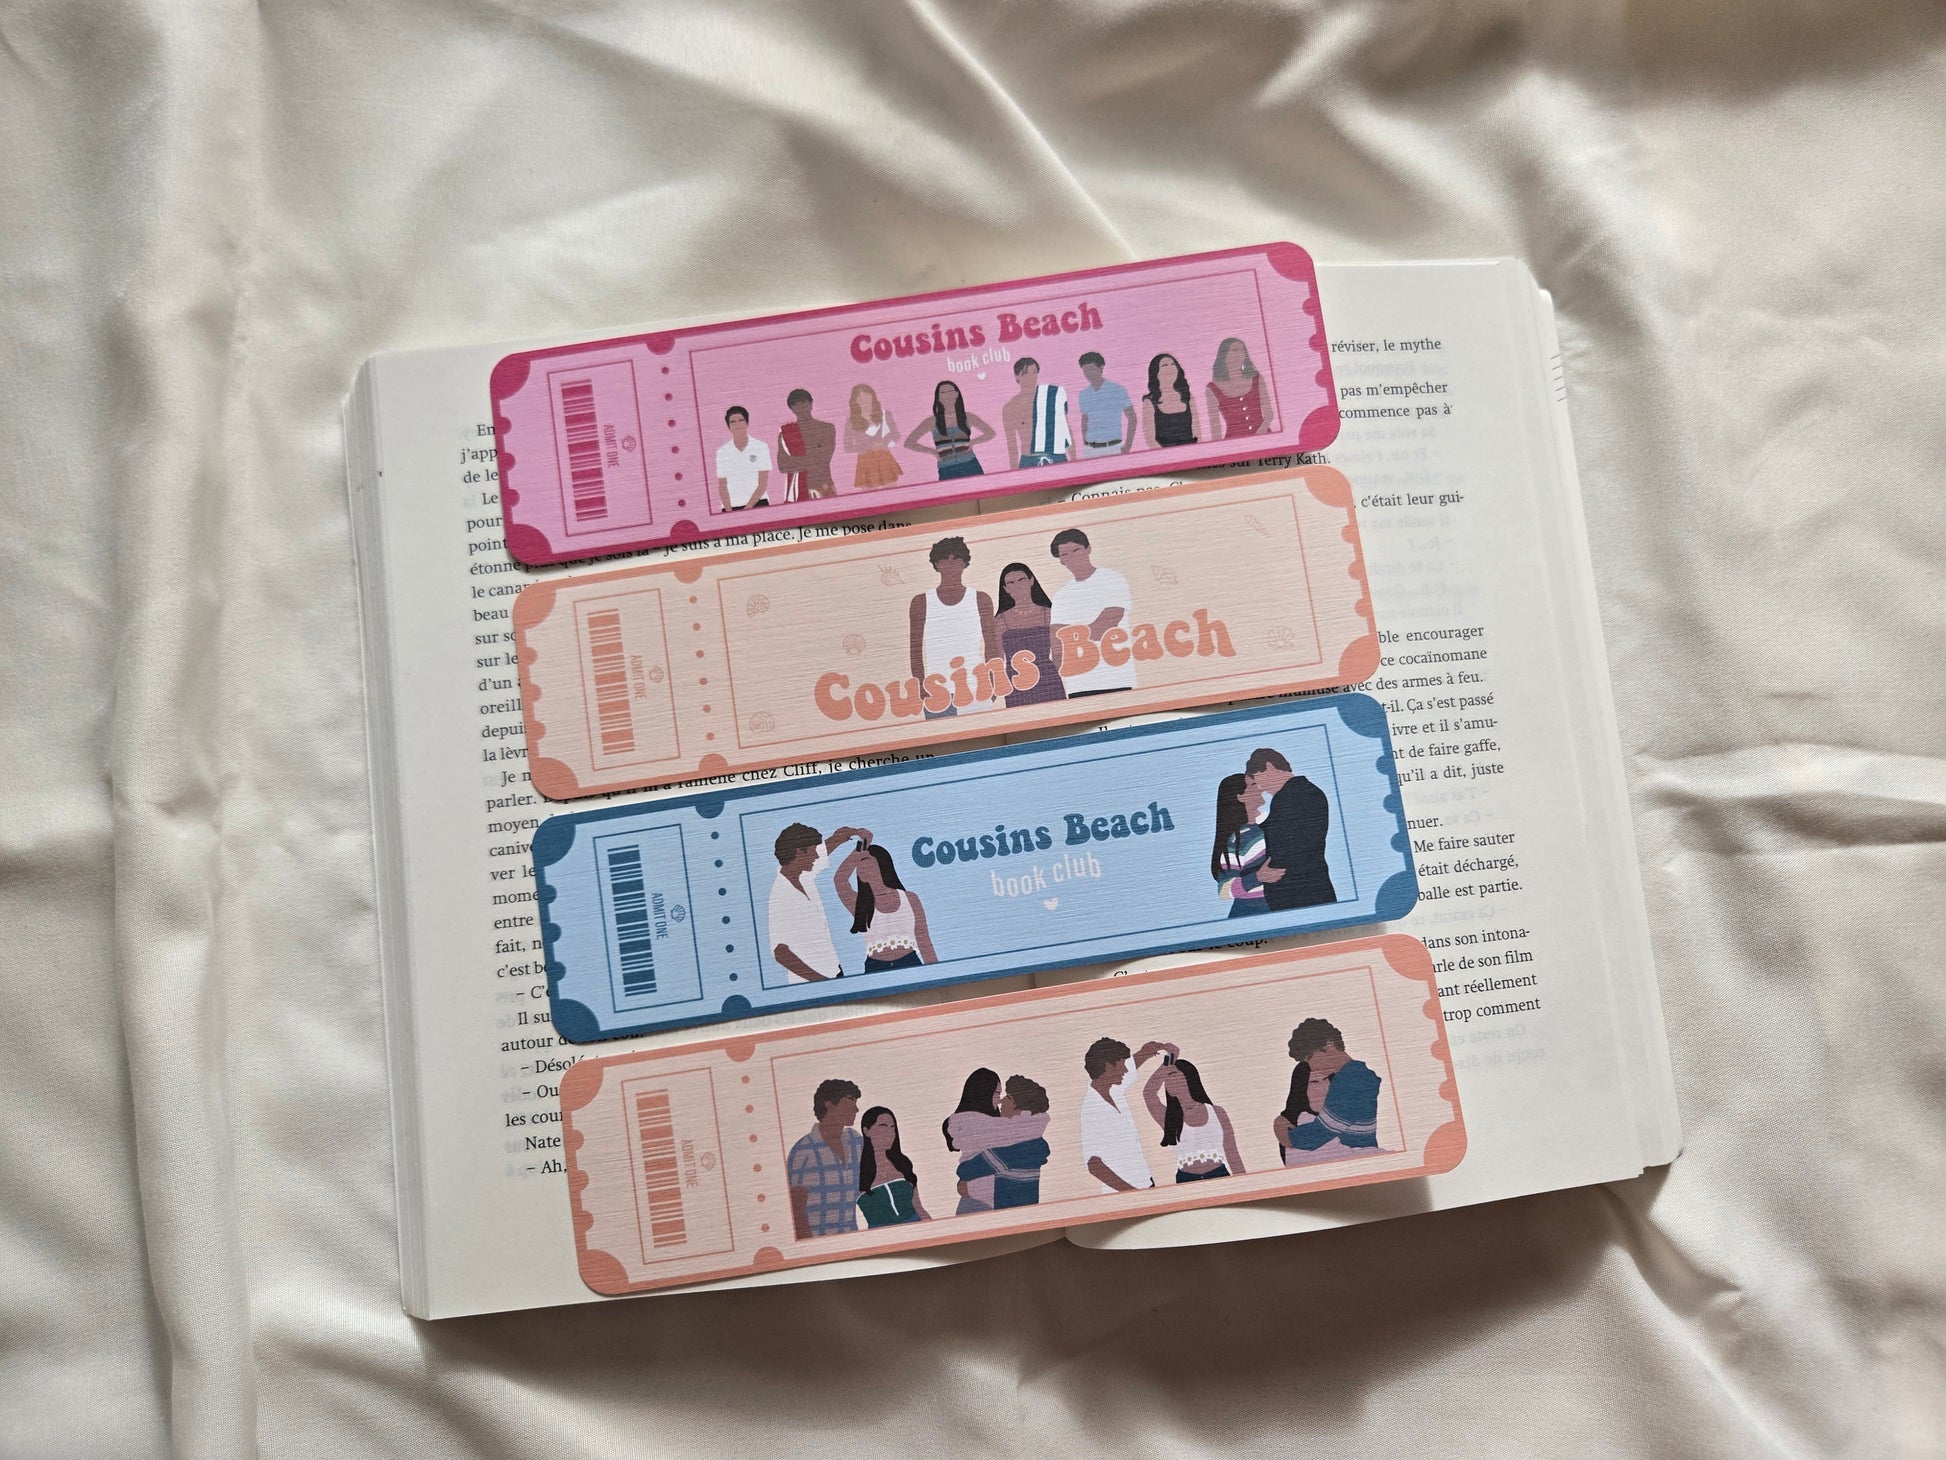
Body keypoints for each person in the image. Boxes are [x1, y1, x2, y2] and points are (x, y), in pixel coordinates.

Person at [908, 536, 1002, 719]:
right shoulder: (921, 602)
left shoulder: (981, 599)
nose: (951, 565)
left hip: (976, 686)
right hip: (937, 690)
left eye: (956, 559)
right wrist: (921, 687)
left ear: (964, 563)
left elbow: (991, 645)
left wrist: (993, 682)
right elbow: (915, 651)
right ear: (937, 564)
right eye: (945, 560)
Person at [768, 821, 873, 983]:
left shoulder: (803, 875)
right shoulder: (780, 895)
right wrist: (819, 981)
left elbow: (826, 848)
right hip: (809, 982)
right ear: (799, 852)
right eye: (812, 852)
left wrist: (851, 837)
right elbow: (780, 952)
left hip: (834, 972)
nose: (817, 856)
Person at [1274, 1018, 1383, 1158]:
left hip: (1355, 1157)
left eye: (1310, 1058)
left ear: (1329, 1044)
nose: (1311, 1066)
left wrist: (1284, 1134)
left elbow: (1319, 1135)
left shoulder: (1353, 1079)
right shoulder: (1350, 1075)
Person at [1245, 747, 1337, 910]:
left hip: (1297, 892)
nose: (1261, 788)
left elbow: (1284, 846)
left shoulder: (1289, 797)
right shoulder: (1303, 792)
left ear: (1269, 767)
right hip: (1309, 887)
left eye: (1258, 779)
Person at [1048, 527, 1136, 697]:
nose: (1071, 557)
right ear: (1061, 560)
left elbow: (1103, 628)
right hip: (1078, 683)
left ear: (1088, 549)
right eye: (1064, 554)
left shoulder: (1112, 579)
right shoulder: (1061, 596)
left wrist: (1070, 636)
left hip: (1116, 676)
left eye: (1076, 550)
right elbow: (1057, 645)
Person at [1079, 1036, 1169, 1193]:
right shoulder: (1091, 1109)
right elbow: (1094, 1164)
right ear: (1108, 1066)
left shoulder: (1113, 1089)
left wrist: (1146, 1051)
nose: (1126, 1070)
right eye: (1121, 1065)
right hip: (1123, 1193)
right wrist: (1131, 1193)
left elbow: (1132, 1066)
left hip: (1145, 1183)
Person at [1141, 1046, 1245, 1181]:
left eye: (1172, 1075)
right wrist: (1168, 1060)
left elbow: (1232, 1153)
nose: (1167, 1081)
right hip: (1186, 1179)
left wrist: (1243, 1183)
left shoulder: (1217, 1112)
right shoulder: (1168, 1117)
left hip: (1219, 1175)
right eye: (1165, 1078)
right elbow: (1149, 1093)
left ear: (1189, 1077)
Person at [953, 1076, 1053, 1210]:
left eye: (1008, 1097)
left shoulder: (1018, 1147)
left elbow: (966, 1170)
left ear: (1021, 1110)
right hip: (1016, 1213)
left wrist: (968, 1187)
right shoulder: (1029, 1141)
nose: (1002, 1101)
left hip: (1008, 1214)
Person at [834, 842, 937, 973]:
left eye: (865, 861)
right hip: (875, 967)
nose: (860, 866)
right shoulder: (859, 903)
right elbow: (840, 880)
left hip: (909, 962)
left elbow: (923, 940)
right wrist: (858, 849)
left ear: (882, 863)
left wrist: (936, 972)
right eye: (858, 863)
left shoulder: (910, 898)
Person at [787, 1078, 864, 1238]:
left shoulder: (855, 1141)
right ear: (829, 1103)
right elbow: (796, 1211)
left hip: (853, 1240)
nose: (856, 1109)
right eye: (850, 1100)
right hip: (819, 1240)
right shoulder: (803, 1151)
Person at [1209, 771, 1285, 916]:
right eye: (1254, 785)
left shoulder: (1274, 822)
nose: (1260, 789)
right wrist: (1257, 877)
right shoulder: (1236, 841)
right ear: (1241, 796)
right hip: (1251, 912)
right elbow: (1224, 890)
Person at [993, 561, 1067, 707]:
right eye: (1011, 583)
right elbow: (998, 659)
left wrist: (1047, 675)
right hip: (1016, 684)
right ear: (1005, 589)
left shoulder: (1048, 613)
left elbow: (1058, 653)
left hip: (1048, 681)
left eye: (1021, 580)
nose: (1017, 586)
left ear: (1031, 581)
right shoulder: (1000, 620)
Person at [903, 380, 995, 481]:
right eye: (943, 393)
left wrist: (973, 442)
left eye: (950, 392)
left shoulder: (968, 417)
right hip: (947, 469)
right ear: (939, 397)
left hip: (970, 465)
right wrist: (932, 451)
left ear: (956, 394)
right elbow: (909, 443)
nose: (947, 396)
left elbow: (990, 433)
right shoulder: (931, 421)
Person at [941, 1068, 1003, 1215]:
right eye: (997, 1093)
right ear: (984, 1093)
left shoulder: (962, 1123)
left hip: (975, 1199)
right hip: (984, 1201)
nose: (1000, 1100)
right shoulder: (986, 1125)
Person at [855, 1107, 929, 1227]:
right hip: (881, 1235)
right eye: (883, 1126)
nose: (889, 1133)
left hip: (915, 1229)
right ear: (866, 1131)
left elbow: (919, 1208)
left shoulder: (903, 1163)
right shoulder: (856, 1173)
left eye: (892, 1128)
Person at [1274, 1060, 1351, 1167]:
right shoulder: (1304, 1120)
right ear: (1302, 1088)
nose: (1324, 1088)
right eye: (1314, 1082)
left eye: (1326, 1080)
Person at [1000, 357, 1073, 468]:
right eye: (1026, 374)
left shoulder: (1050, 397)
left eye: (1034, 373)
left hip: (1056, 456)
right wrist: (1014, 473)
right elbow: (1012, 445)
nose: (1032, 377)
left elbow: (1065, 429)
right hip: (1029, 460)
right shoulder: (1010, 408)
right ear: (1017, 376)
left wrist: (1074, 458)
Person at [1205, 336, 1274, 439]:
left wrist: (1261, 432)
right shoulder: (1212, 389)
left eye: (1243, 350)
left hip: (1264, 436)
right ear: (1224, 355)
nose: (1240, 354)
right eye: (1235, 350)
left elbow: (1269, 414)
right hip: (1234, 441)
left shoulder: (1257, 378)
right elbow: (1215, 428)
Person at [1075, 351, 1135, 459]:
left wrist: (1128, 446)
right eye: (1085, 370)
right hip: (1090, 450)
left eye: (1091, 369)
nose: (1088, 374)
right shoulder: (1084, 394)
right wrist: (1085, 444)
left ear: (1101, 367)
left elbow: (1132, 418)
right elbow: (1085, 420)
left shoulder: (1117, 390)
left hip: (1113, 447)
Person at [843, 383, 903, 490]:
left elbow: (896, 435)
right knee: (870, 495)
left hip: (884, 459)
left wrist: (885, 443)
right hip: (865, 462)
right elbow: (847, 447)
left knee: (891, 492)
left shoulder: (885, 414)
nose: (864, 401)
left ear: (872, 396)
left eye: (867, 396)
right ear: (855, 401)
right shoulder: (851, 421)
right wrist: (868, 446)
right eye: (860, 398)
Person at [714, 404, 773, 511]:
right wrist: (729, 511)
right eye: (733, 422)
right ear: (728, 426)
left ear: (747, 422)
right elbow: (722, 486)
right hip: (731, 507)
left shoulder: (761, 447)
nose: (737, 424)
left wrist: (748, 508)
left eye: (741, 420)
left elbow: (762, 484)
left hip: (759, 502)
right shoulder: (722, 452)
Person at [1140, 352, 1201, 449]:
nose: (1171, 368)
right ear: (1156, 373)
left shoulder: (1187, 397)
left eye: (1173, 364)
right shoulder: (1149, 402)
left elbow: (1197, 431)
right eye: (1165, 365)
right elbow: (1150, 440)